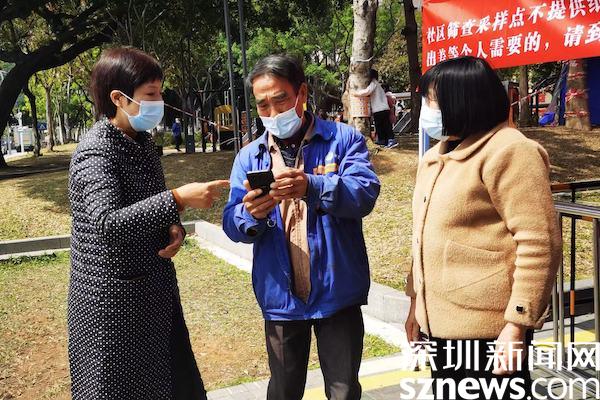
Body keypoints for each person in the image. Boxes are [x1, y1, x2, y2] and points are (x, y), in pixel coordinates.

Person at [68, 47, 229, 400]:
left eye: (160, 92)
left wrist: (173, 227)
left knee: (173, 384)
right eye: (151, 94)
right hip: (113, 307)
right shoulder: (96, 151)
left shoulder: (141, 142)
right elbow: (108, 223)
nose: (160, 102)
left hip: (155, 296)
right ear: (118, 98)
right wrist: (178, 199)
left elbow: (149, 206)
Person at [223, 54, 381, 400]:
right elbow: (231, 221)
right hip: (280, 297)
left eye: (280, 99)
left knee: (343, 390)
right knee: (283, 390)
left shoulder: (343, 140)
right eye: (262, 105)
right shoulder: (249, 156)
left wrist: (312, 185)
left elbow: (364, 194)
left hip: (337, 292)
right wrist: (251, 215)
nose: (272, 112)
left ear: (302, 93)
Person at [404, 56, 562, 400]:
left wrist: (517, 325)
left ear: (461, 100)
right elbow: (422, 237)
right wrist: (415, 306)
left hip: (490, 331)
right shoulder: (435, 157)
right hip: (440, 327)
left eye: (431, 100)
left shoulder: (510, 151)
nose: (426, 110)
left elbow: (539, 243)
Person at [352, 69, 396, 148]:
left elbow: (367, 91)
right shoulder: (376, 84)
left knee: (384, 125)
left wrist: (356, 93)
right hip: (381, 108)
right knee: (381, 126)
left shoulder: (374, 83)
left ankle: (390, 139)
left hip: (380, 109)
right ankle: (383, 140)